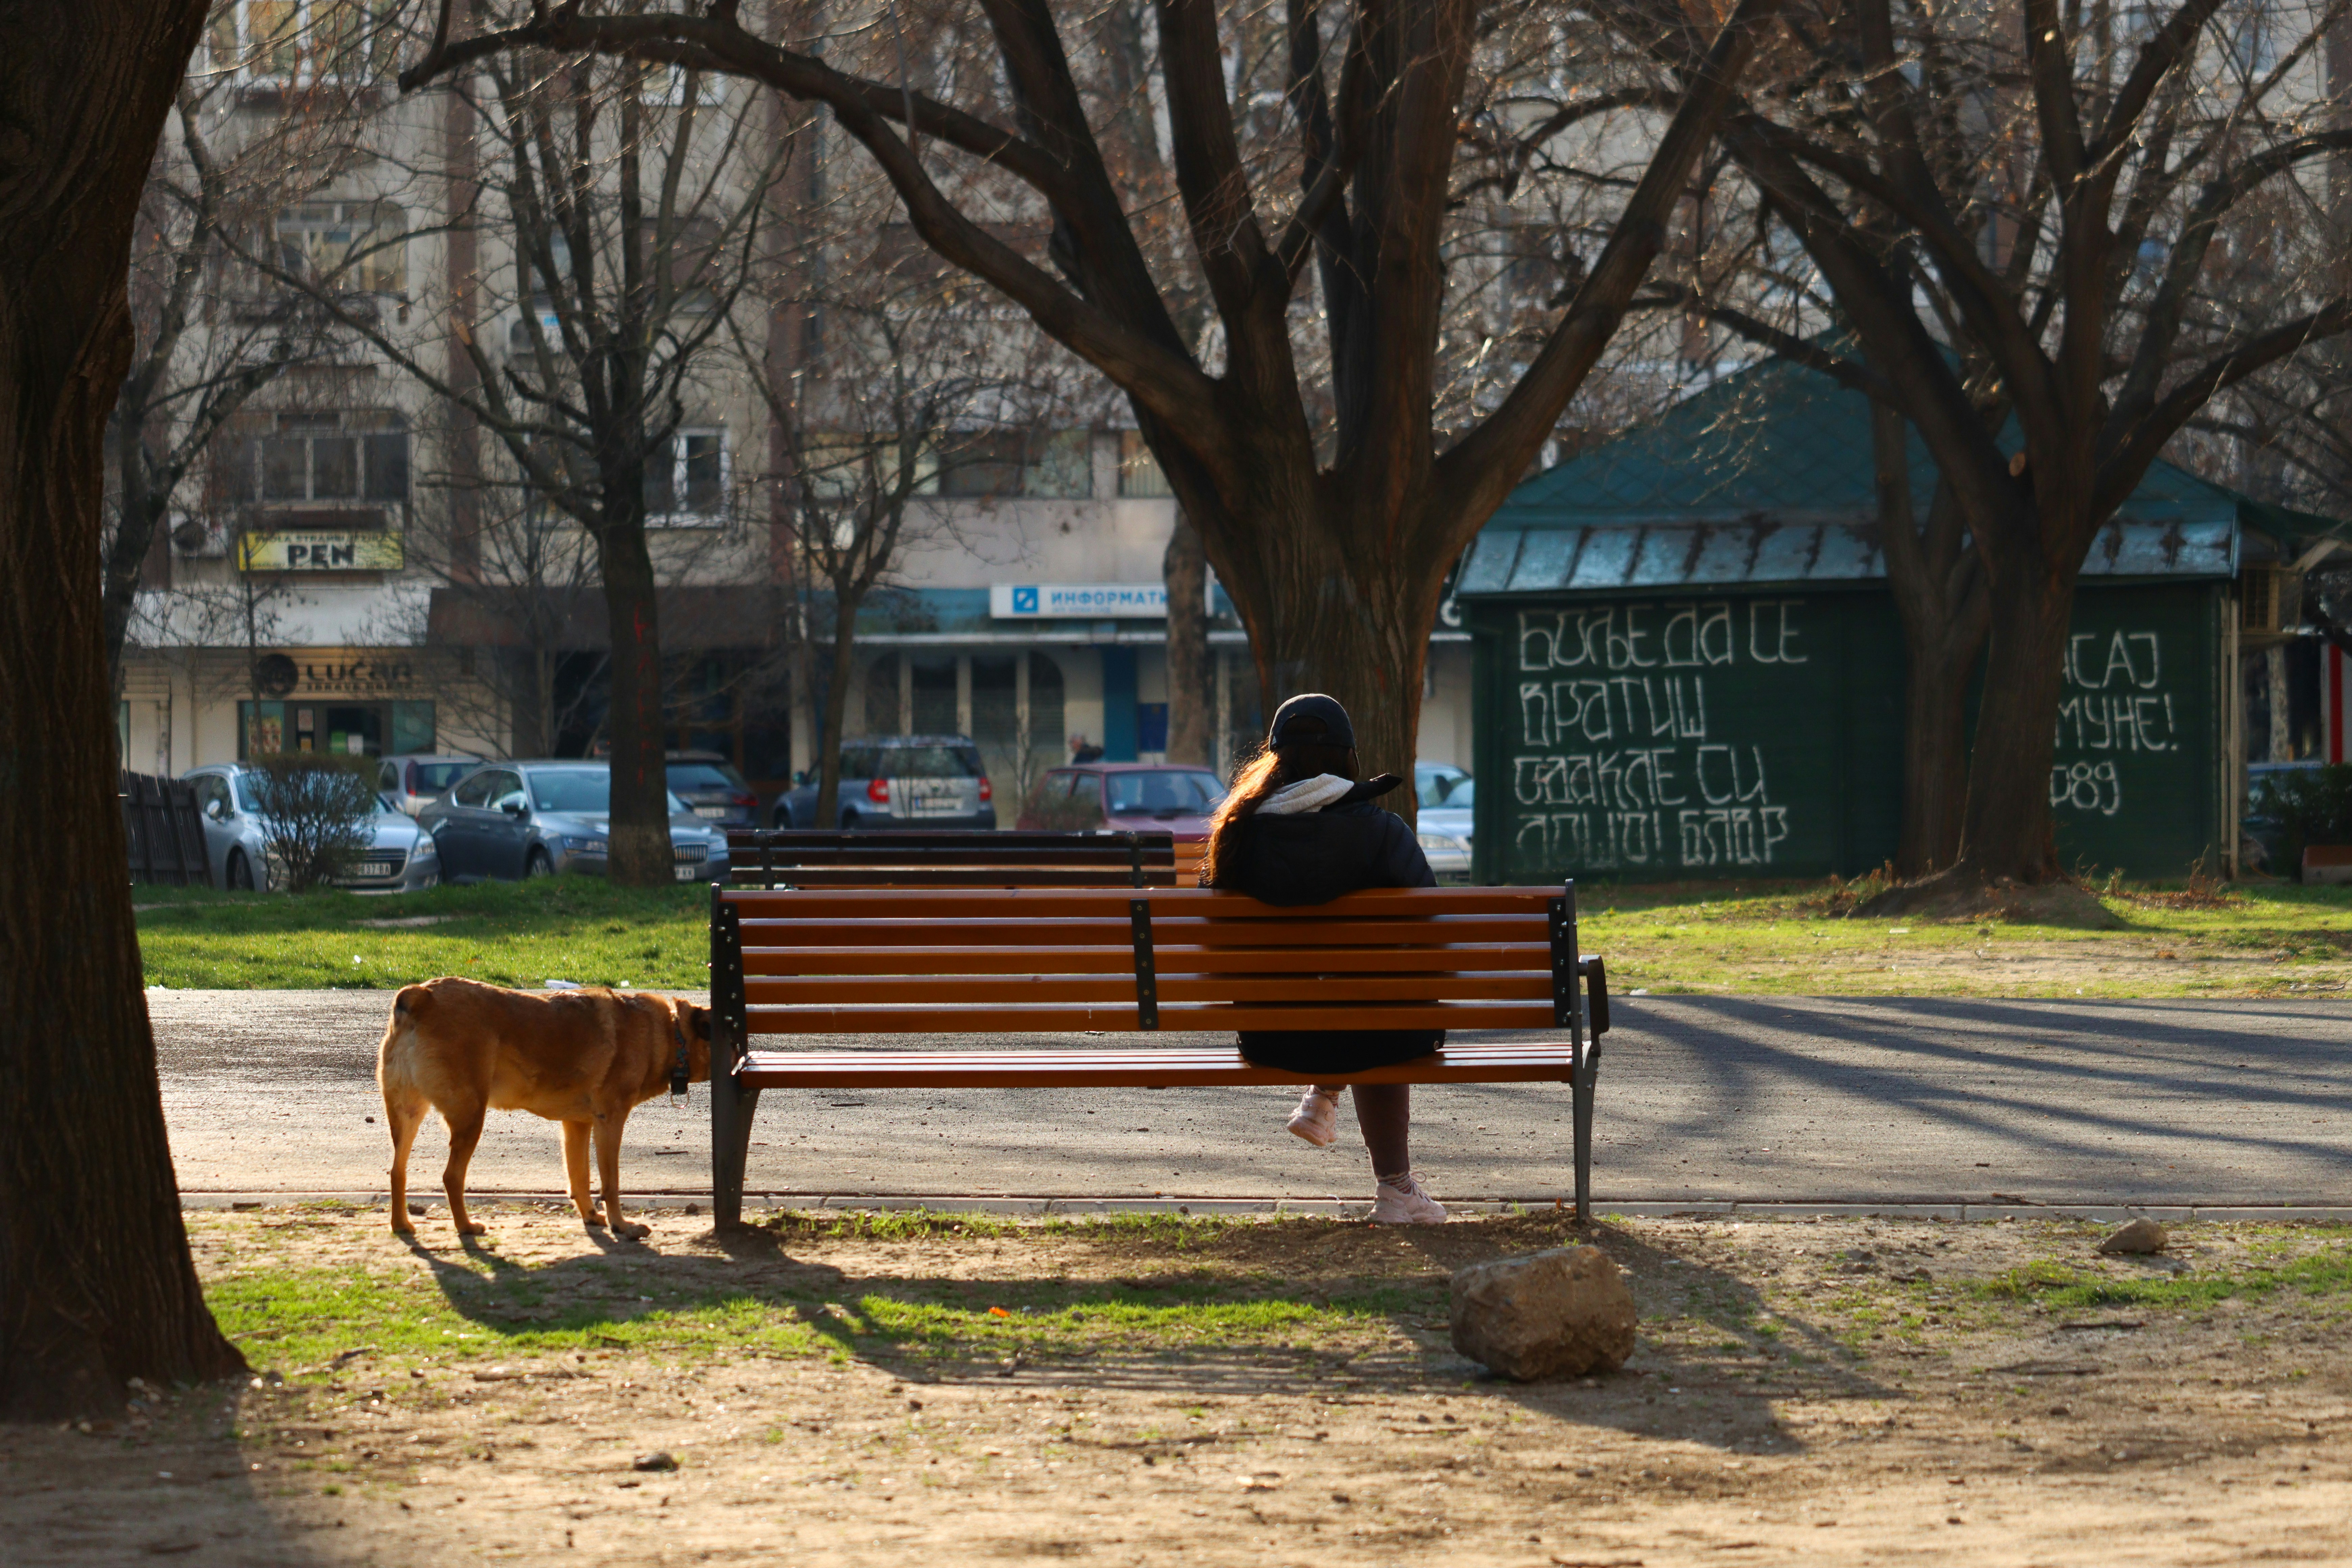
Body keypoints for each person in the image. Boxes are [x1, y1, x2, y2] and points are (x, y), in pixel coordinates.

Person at [1200, 693, 1446, 1224]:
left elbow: (1215, 941)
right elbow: (1433, 932)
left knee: (1355, 1006)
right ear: (1348, 759)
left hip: (1272, 1034)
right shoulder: (1382, 833)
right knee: (1377, 1007)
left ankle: (1322, 1093)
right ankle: (1396, 1189)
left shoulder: (1237, 836)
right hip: (1377, 1033)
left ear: (1275, 759)